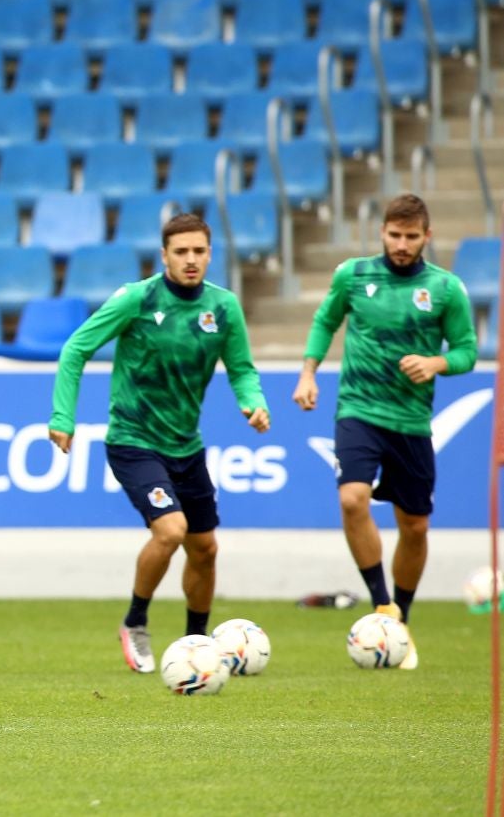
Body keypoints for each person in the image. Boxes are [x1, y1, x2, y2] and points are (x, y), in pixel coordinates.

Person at [47, 213, 269, 674]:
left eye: (199, 251)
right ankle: (135, 621)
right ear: (164, 255)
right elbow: (75, 349)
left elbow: (243, 369)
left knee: (205, 549)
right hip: (133, 439)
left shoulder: (223, 308)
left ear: (210, 254)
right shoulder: (137, 299)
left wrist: (253, 402)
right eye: (181, 251)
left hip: (186, 445)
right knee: (171, 530)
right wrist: (62, 416)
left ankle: (196, 642)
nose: (191, 260)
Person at [293, 193, 477, 670]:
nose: (401, 244)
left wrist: (436, 362)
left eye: (411, 237)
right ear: (382, 232)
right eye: (394, 235)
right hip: (358, 410)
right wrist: (308, 373)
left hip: (411, 422)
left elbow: (465, 351)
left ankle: (402, 617)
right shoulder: (352, 276)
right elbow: (325, 321)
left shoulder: (445, 289)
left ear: (426, 238)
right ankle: (381, 604)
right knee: (352, 498)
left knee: (414, 526)